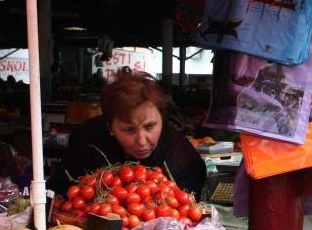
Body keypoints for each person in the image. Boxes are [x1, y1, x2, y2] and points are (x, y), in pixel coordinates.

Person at [48, 71, 206, 197]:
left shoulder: (183, 160)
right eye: (129, 130)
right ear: (110, 126)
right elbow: (59, 191)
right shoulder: (87, 139)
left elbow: (186, 212)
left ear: (162, 120)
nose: (142, 141)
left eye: (150, 126)